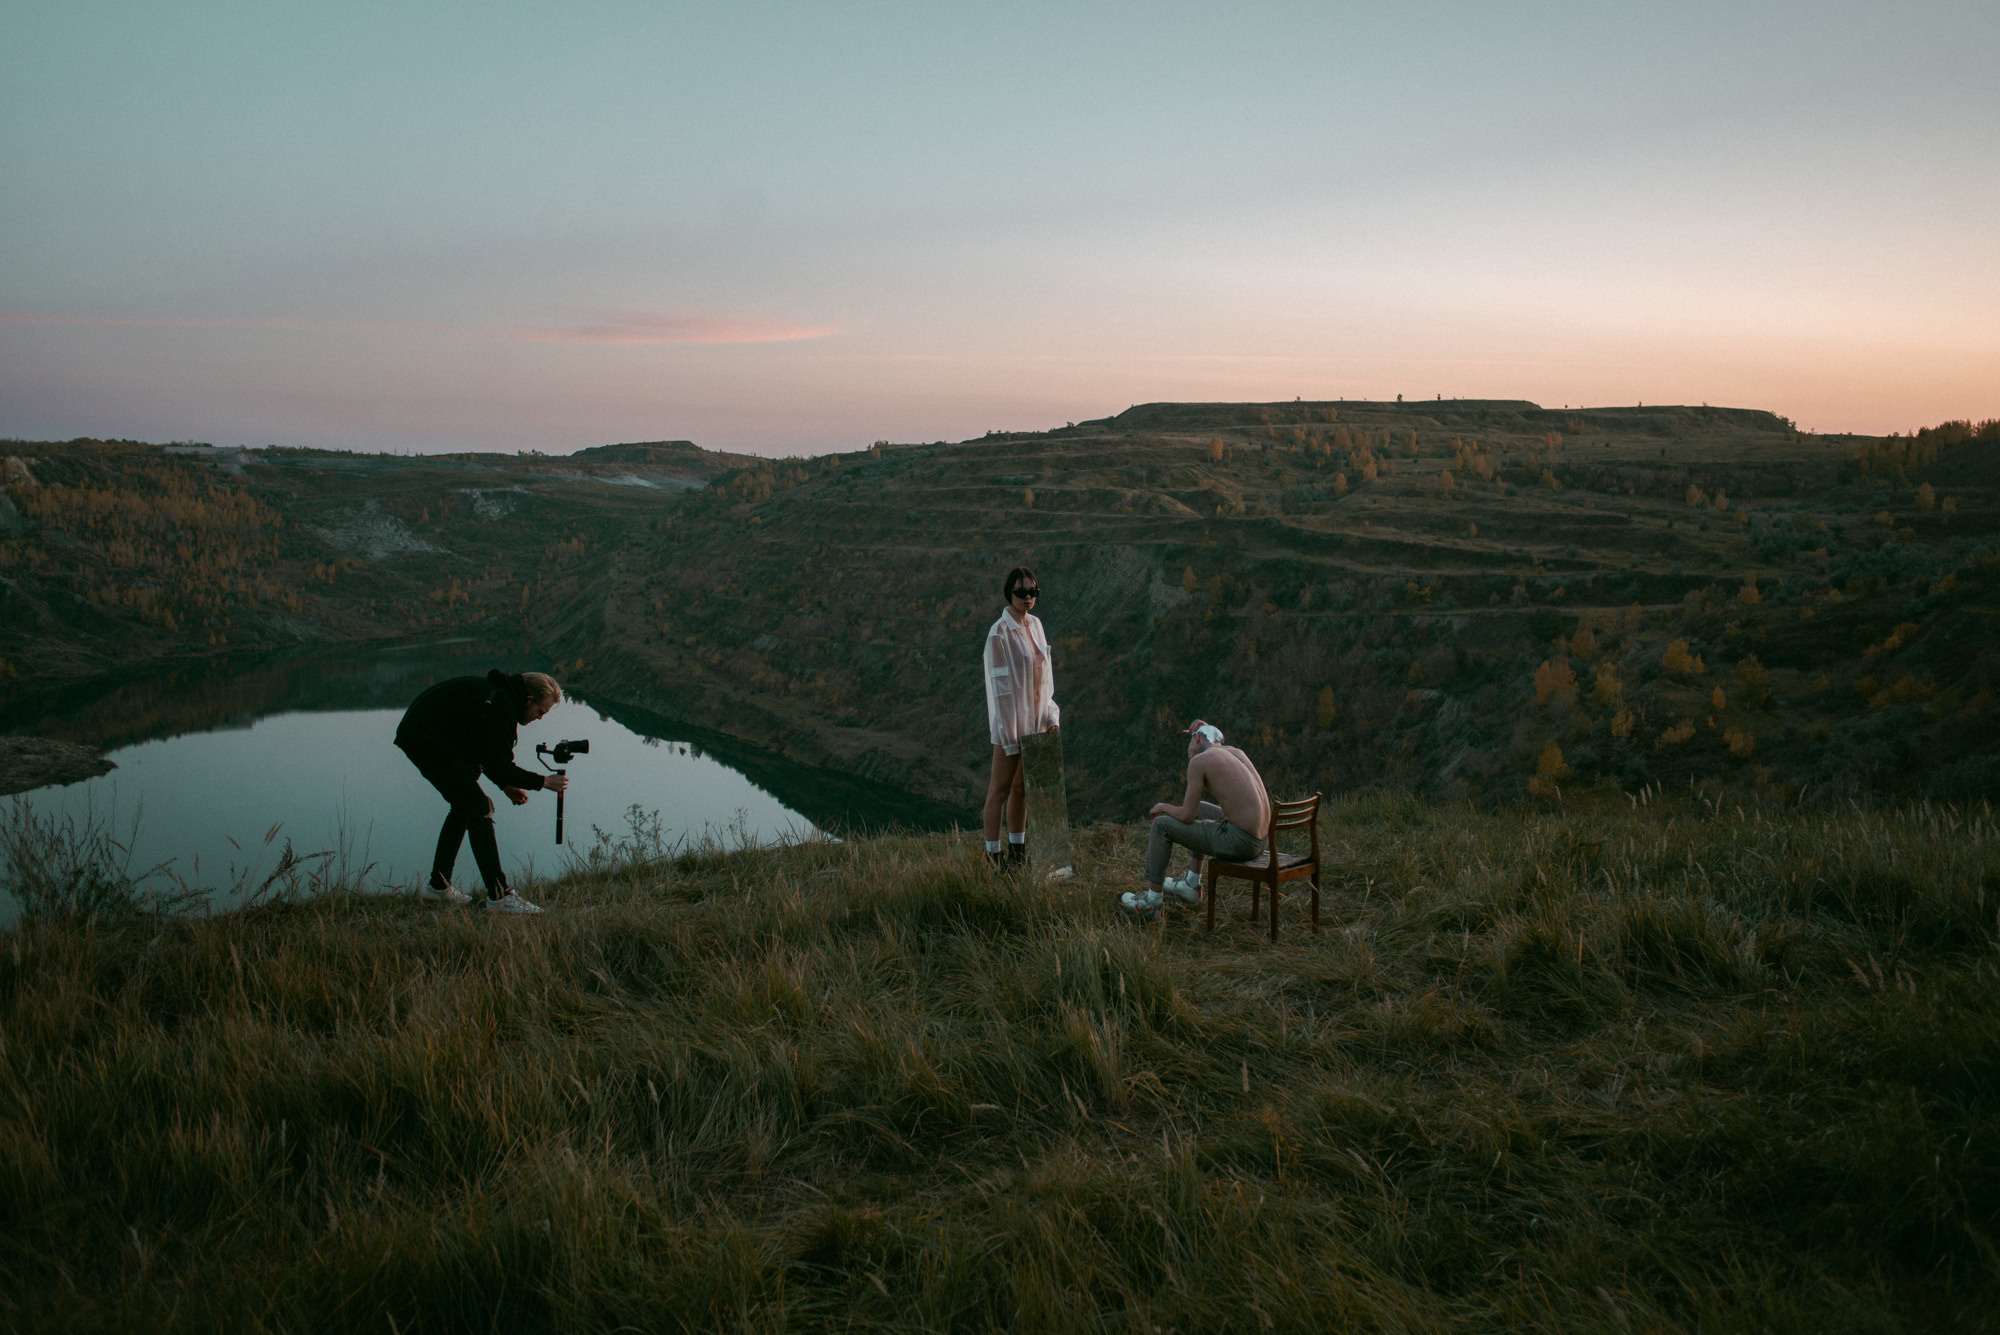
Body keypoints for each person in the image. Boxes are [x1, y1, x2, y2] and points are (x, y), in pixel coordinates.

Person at [394, 668, 569, 914]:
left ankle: (438, 887)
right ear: (529, 699)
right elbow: (502, 765)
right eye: (540, 712)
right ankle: (499, 896)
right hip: (425, 737)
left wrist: (505, 785)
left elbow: (484, 750)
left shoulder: (500, 696)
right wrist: (544, 781)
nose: (539, 718)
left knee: (466, 804)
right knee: (477, 805)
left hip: (429, 734)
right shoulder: (503, 705)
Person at [1121, 720, 1271, 919]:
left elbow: (1186, 816)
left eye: (1191, 741)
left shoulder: (1199, 762)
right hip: (1262, 840)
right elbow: (1194, 811)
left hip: (1241, 842)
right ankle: (1191, 884)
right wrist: (1204, 731)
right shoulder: (1236, 753)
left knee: (1160, 825)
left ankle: (1152, 902)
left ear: (1197, 738)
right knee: (1200, 808)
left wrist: (1163, 807)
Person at [981, 566, 1059, 872]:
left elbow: (1046, 677)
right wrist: (1009, 733)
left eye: (1033, 592)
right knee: (998, 790)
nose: (1027, 598)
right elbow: (999, 691)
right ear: (1008, 593)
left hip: (1036, 721)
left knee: (1021, 789)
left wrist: (1051, 715)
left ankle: (1018, 851)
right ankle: (992, 857)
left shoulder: (1036, 625)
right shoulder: (999, 633)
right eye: (1021, 592)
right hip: (1011, 726)